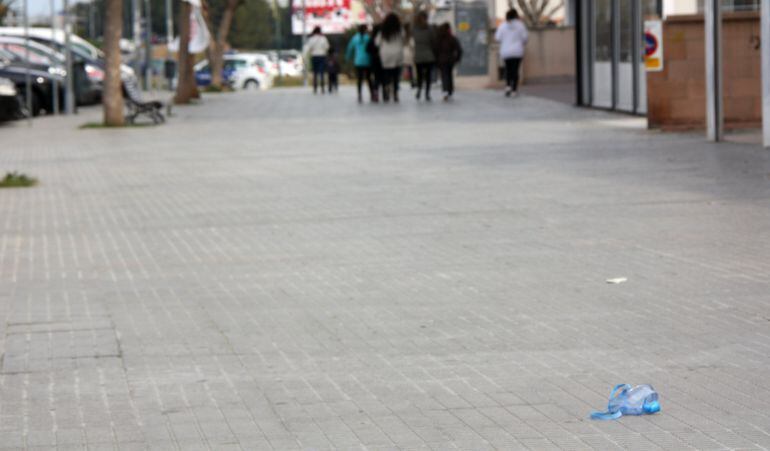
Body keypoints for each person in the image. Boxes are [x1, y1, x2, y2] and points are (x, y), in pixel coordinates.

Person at [495, 8, 528, 97]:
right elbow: (525, 38)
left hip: (506, 51)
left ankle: (508, 86)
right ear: (516, 15)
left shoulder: (502, 26)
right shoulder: (520, 25)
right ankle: (514, 89)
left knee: (508, 69)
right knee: (515, 70)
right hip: (517, 51)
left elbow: (497, 38)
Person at [376, 13, 405, 103]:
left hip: (386, 54)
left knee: (386, 74)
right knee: (396, 75)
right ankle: (395, 92)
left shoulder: (383, 31)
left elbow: (377, 42)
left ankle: (387, 87)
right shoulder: (400, 30)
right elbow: (403, 39)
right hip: (397, 53)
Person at [412, 11, 436, 101]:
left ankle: (419, 90)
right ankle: (427, 93)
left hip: (418, 55)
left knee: (419, 75)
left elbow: (414, 39)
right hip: (429, 54)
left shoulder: (415, 29)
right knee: (428, 75)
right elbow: (433, 40)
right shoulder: (430, 29)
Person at [435, 22, 462, 101]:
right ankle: (449, 91)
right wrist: (457, 59)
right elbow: (459, 50)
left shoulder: (438, 39)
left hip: (441, 60)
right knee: (449, 75)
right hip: (450, 60)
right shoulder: (452, 38)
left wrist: (436, 60)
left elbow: (435, 50)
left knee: (444, 75)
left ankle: (445, 91)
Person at [346, 24, 373, 102]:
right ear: (366, 30)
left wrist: (348, 58)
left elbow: (350, 48)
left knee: (359, 79)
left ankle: (359, 94)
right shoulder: (368, 38)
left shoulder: (355, 38)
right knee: (369, 78)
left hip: (358, 61)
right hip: (368, 61)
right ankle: (372, 94)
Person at [303, 26, 331, 94]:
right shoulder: (323, 38)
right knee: (321, 72)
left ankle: (315, 87)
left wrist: (305, 56)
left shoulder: (311, 39)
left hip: (314, 56)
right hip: (322, 56)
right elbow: (327, 47)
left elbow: (308, 48)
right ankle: (322, 87)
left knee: (315, 72)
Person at [367, 24, 384, 103]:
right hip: (382, 60)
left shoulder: (371, 39)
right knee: (383, 77)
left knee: (376, 78)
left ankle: (376, 92)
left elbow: (367, 49)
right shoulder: (383, 38)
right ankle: (384, 93)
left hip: (374, 61)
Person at [402, 23, 416, 88]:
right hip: (410, 53)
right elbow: (412, 45)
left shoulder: (402, 35)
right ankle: (413, 81)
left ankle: (406, 79)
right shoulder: (410, 36)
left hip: (403, 53)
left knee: (405, 68)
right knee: (412, 68)